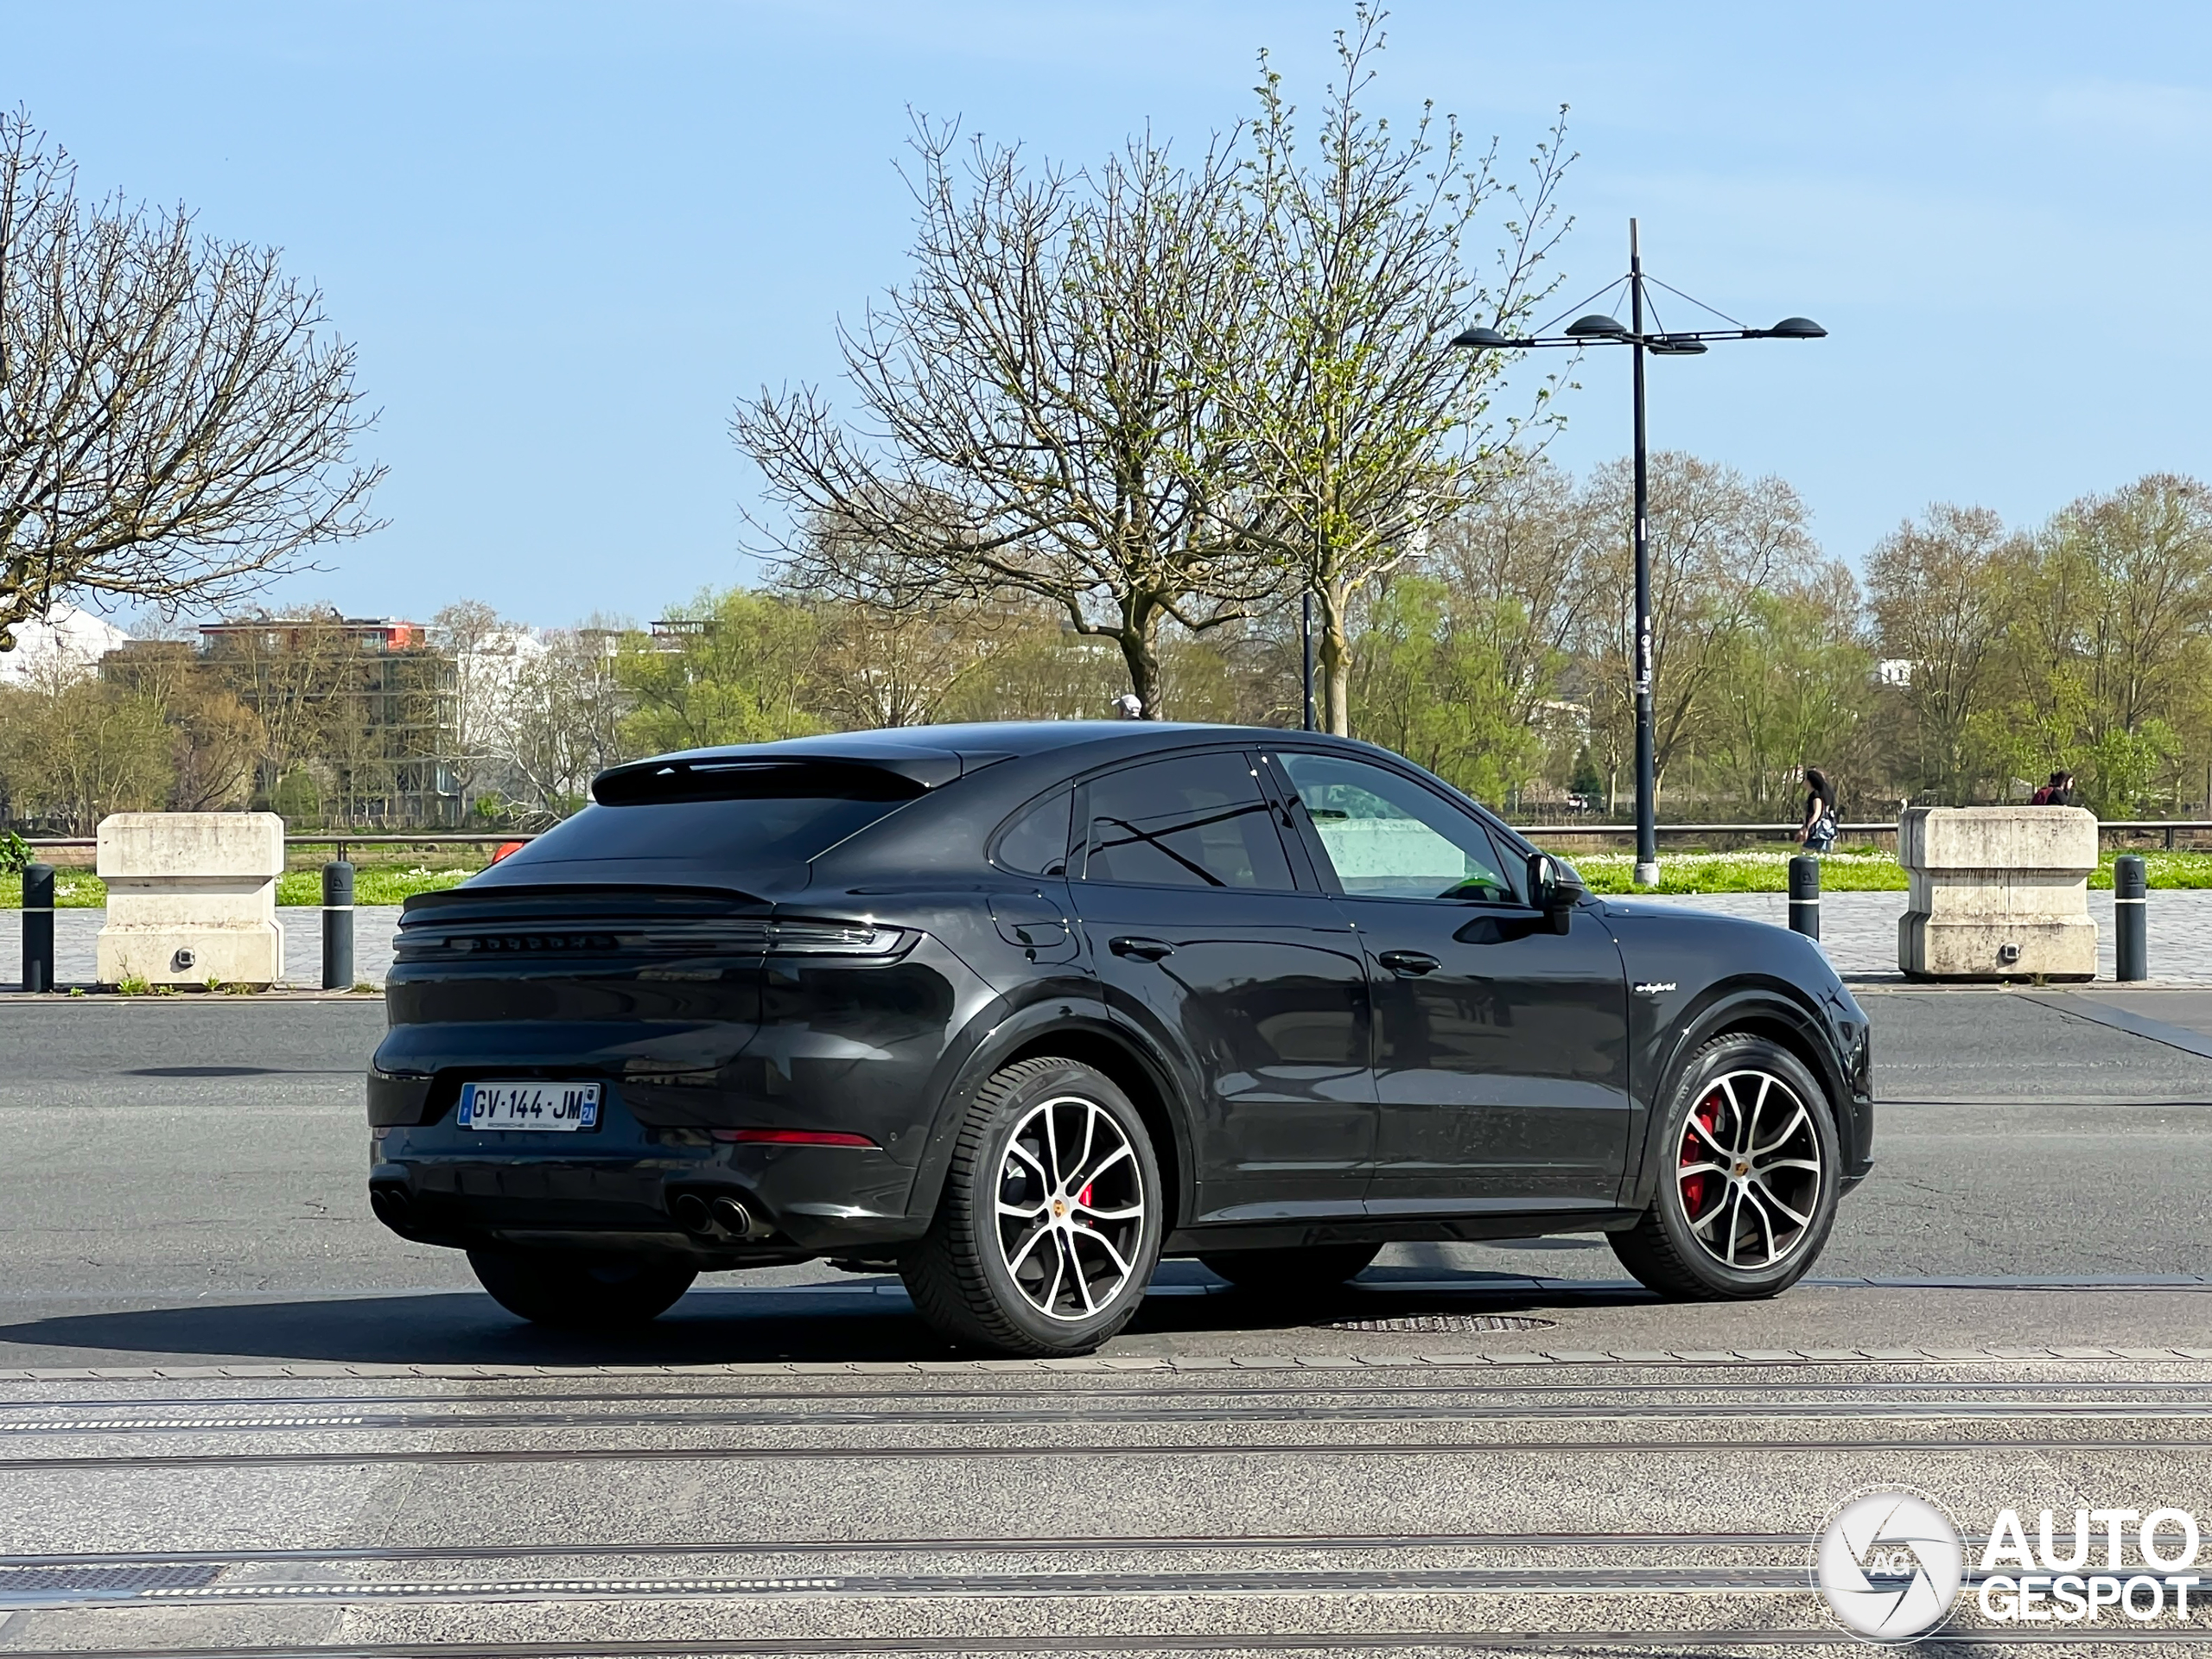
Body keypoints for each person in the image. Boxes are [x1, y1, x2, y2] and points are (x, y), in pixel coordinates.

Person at [1796, 766, 1839, 854]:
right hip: (1821, 830)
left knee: (1806, 853)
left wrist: (1807, 828)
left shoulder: (1816, 795)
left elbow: (1817, 813)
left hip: (1818, 832)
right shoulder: (1819, 793)